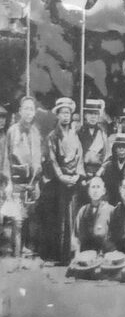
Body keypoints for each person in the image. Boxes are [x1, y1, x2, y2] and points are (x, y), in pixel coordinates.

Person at [43, 97, 84, 263]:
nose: (66, 116)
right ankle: (59, 254)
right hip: (59, 182)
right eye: (62, 113)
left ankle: (72, 253)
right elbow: (52, 159)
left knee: (73, 215)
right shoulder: (52, 136)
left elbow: (80, 155)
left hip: (73, 180)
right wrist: (62, 176)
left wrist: (77, 175)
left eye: (68, 113)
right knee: (60, 217)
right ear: (58, 115)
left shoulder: (75, 134)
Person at [6, 96, 42, 256]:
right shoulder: (12, 131)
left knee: (31, 220)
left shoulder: (35, 132)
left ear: (34, 113)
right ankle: (16, 257)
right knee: (17, 221)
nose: (29, 112)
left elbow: (38, 159)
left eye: (31, 109)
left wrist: (37, 183)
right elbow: (6, 159)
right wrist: (8, 183)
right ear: (20, 111)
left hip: (32, 183)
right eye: (26, 108)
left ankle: (29, 256)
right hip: (17, 182)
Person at [73, 177, 114, 253]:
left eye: (98, 187)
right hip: (86, 255)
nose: (95, 190)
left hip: (105, 254)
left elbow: (115, 238)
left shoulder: (111, 210)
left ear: (103, 191)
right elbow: (76, 237)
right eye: (93, 187)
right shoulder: (83, 210)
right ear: (88, 191)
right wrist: (77, 255)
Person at [97, 134, 125, 201]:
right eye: (119, 147)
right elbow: (98, 174)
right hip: (111, 195)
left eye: (124, 148)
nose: (121, 150)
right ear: (115, 149)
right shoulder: (108, 163)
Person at [77, 99, 108, 179]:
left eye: (96, 114)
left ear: (98, 116)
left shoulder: (102, 134)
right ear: (85, 115)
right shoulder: (78, 132)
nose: (93, 117)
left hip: (98, 172)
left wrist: (99, 172)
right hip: (81, 172)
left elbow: (107, 155)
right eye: (90, 113)